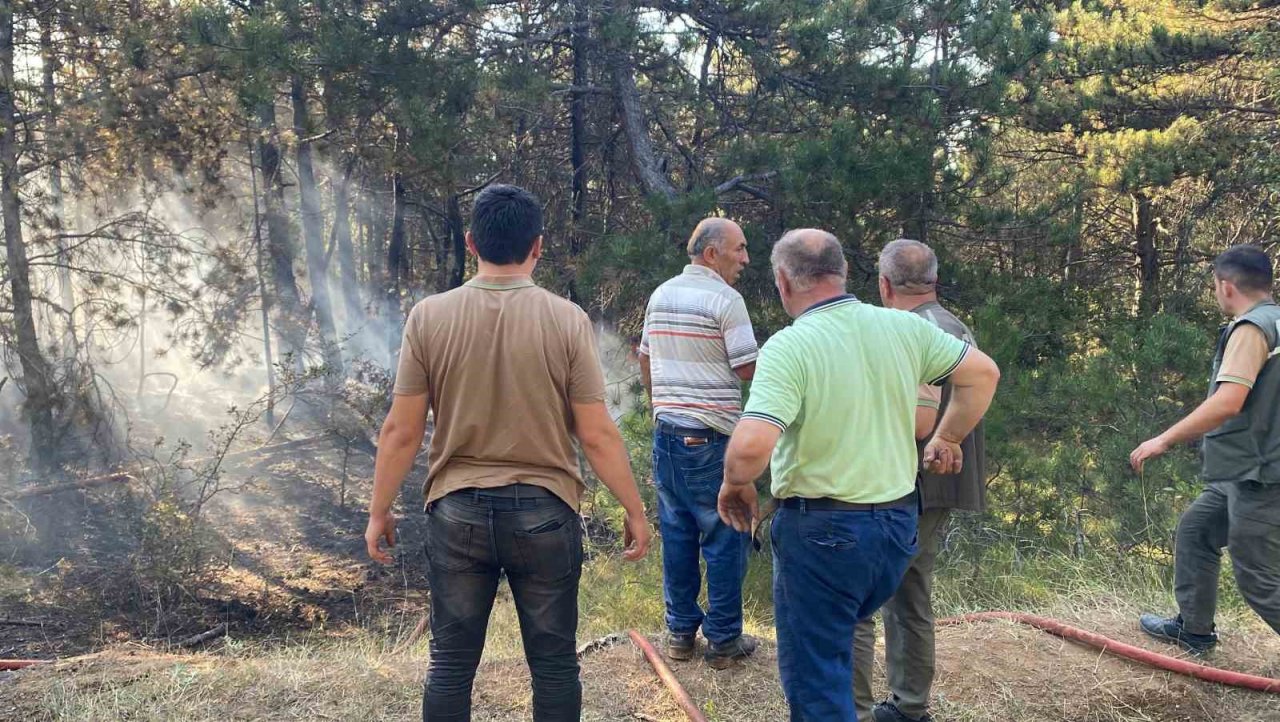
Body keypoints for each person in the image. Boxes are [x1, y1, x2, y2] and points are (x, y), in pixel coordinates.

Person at [364, 184, 652, 721]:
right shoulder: (567, 320)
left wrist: (379, 509)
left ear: (471, 242)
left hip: (457, 512)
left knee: (449, 665)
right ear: (537, 246)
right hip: (544, 513)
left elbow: (401, 431)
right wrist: (634, 509)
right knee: (555, 667)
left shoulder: (428, 317)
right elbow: (596, 434)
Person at [718, 229, 1000, 722]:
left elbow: (749, 446)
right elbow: (983, 375)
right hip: (894, 529)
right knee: (851, 628)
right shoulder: (903, 329)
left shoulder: (791, 346)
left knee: (818, 678)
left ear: (784, 282)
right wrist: (949, 437)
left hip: (823, 534)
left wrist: (736, 483)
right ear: (844, 273)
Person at [853, 238, 988, 722]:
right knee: (909, 587)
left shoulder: (907, 327)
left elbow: (914, 418)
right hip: (937, 483)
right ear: (934, 280)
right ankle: (908, 706)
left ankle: (866, 709)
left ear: (884, 284)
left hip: (909, 480)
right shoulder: (952, 323)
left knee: (869, 590)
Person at [1130, 244, 1280, 654]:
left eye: (1215, 285)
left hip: (1261, 476)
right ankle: (1194, 630)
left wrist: (1163, 439)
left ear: (1227, 287)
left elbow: (1229, 400)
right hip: (1244, 469)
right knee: (1197, 531)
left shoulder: (1252, 329)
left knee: (1260, 580)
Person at [638, 217, 759, 668]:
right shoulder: (726, 299)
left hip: (667, 435)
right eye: (740, 249)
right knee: (728, 533)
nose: (746, 259)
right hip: (709, 438)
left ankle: (680, 635)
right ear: (712, 253)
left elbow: (646, 357)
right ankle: (724, 640)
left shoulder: (662, 293)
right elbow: (748, 368)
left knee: (678, 534)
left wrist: (659, 410)